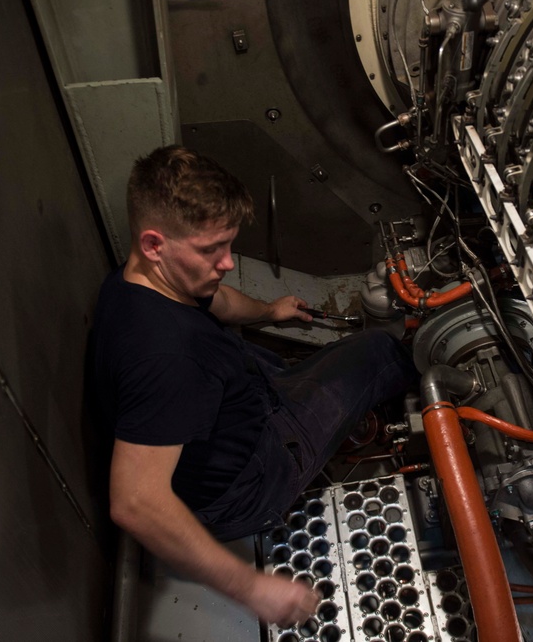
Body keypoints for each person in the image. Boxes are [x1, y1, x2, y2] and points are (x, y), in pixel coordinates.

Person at [92, 145, 416, 627]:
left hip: (242, 396)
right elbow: (136, 501)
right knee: (376, 353)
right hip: (253, 478)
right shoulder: (168, 361)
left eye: (228, 245)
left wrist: (270, 312)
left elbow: (218, 301)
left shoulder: (144, 280)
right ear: (154, 244)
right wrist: (252, 588)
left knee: (303, 359)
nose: (226, 262)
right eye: (211, 251)